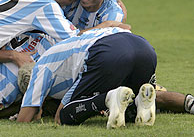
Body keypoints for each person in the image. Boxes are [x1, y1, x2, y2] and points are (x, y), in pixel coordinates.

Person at [16, 27, 157, 128]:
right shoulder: (65, 51)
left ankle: (109, 97)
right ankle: (140, 102)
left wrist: (36, 110)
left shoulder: (39, 67)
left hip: (107, 52)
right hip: (144, 47)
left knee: (63, 117)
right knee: (129, 110)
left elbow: (24, 119)